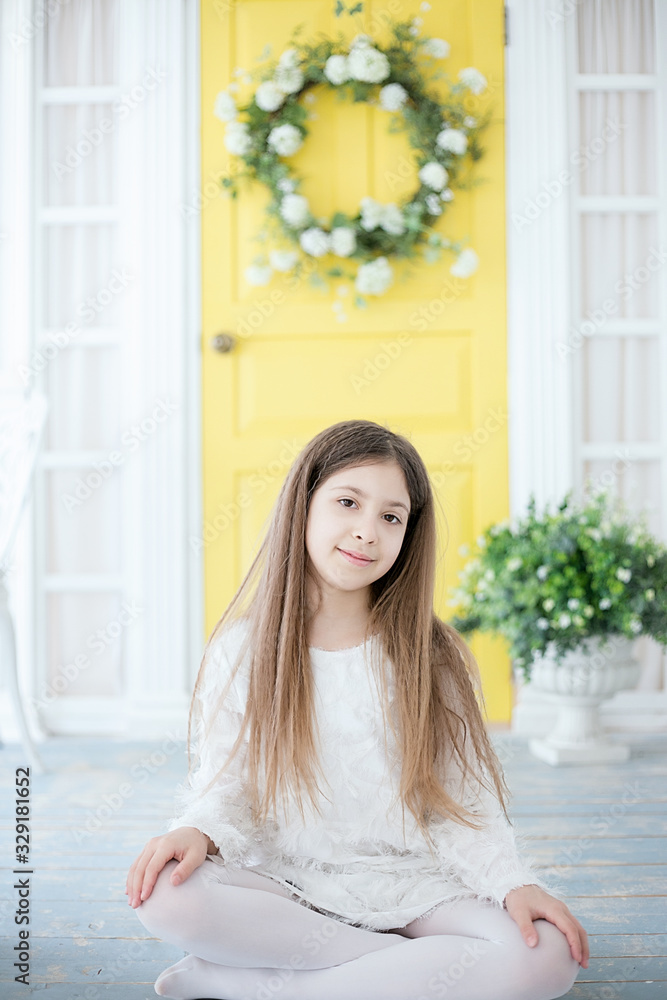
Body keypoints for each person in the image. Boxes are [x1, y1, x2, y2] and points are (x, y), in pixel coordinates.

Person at [126, 419, 588, 1000]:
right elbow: (229, 785)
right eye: (348, 502)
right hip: (289, 885)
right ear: (304, 505)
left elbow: (465, 804)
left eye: (392, 517)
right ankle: (405, 971)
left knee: (548, 957)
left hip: (416, 886)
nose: (367, 531)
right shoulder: (241, 650)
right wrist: (198, 828)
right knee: (165, 895)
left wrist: (511, 882)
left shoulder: (433, 656)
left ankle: (252, 983)